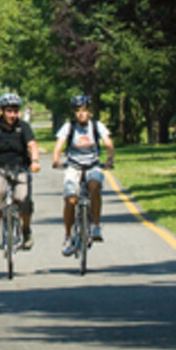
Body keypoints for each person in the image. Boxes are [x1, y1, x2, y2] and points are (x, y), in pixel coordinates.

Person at [51, 94, 115, 257]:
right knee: (71, 198)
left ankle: (96, 225)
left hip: (92, 164)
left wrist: (109, 159)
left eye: (84, 110)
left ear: (89, 112)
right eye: (78, 111)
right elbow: (58, 145)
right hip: (73, 166)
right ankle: (68, 236)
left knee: (94, 186)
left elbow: (108, 143)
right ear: (74, 113)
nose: (81, 114)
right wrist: (56, 160)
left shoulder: (96, 126)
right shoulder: (69, 127)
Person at [0, 93, 41, 250]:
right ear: (2, 111)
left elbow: (32, 145)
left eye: (15, 111)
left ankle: (26, 231)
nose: (12, 114)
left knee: (24, 199)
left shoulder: (23, 127)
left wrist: (34, 162)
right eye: (9, 111)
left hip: (20, 168)